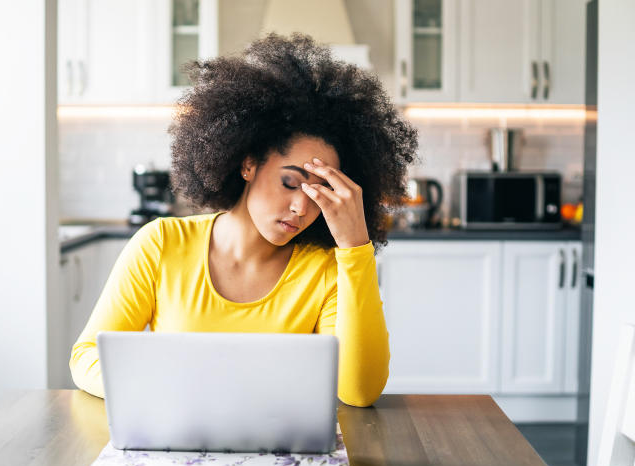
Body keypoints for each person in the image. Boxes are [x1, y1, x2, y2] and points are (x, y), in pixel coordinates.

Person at [70, 33, 419, 407]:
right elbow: (87, 357)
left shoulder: (326, 269)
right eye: (290, 183)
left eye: (319, 193)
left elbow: (359, 392)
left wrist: (355, 249)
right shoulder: (161, 244)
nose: (302, 207)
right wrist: (165, 389)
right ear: (248, 164)